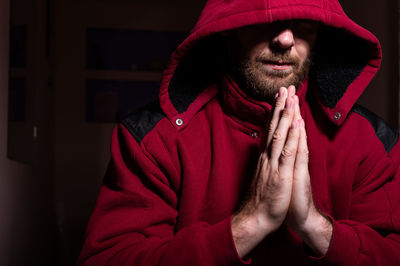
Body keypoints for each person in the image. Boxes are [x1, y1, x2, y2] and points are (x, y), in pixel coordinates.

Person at [79, 0, 400, 265]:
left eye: (304, 22)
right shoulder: (151, 140)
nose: (286, 39)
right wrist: (250, 223)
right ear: (227, 28)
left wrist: (314, 226)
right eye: (265, 19)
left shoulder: (371, 141)